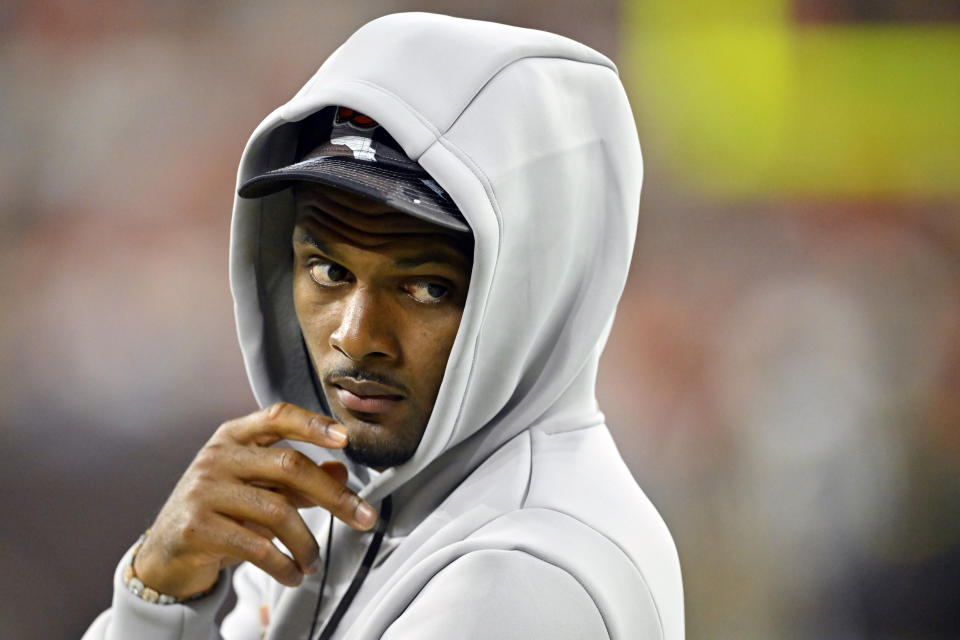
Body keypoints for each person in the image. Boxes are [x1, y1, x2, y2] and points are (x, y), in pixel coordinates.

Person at [83, 12, 683, 640]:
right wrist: (160, 585)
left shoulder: (519, 581)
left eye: (426, 287)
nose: (356, 336)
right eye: (328, 271)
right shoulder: (336, 505)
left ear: (537, 294)